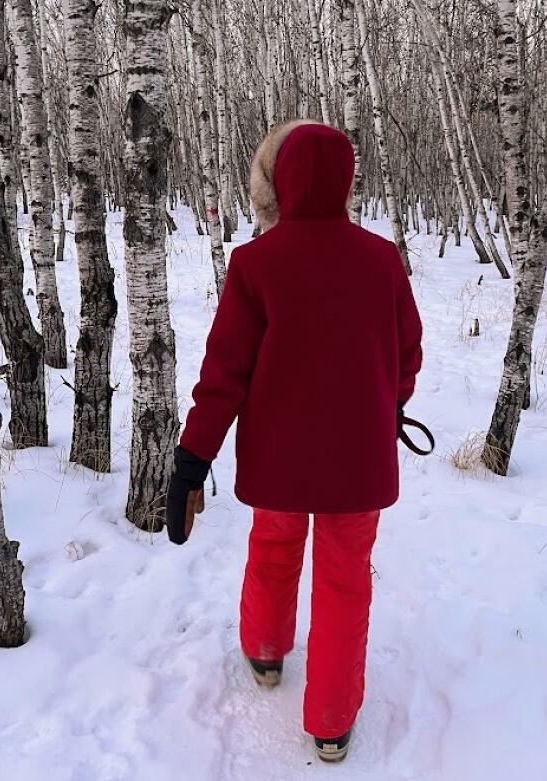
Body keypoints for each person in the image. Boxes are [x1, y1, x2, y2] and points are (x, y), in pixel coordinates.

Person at [166, 120, 423, 763]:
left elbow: (223, 374)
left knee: (274, 548)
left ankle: (264, 653)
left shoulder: (255, 263)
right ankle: (331, 722)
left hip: (278, 457)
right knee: (344, 582)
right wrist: (386, 406)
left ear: (272, 180)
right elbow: (408, 355)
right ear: (347, 177)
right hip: (357, 464)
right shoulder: (381, 258)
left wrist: (192, 459)